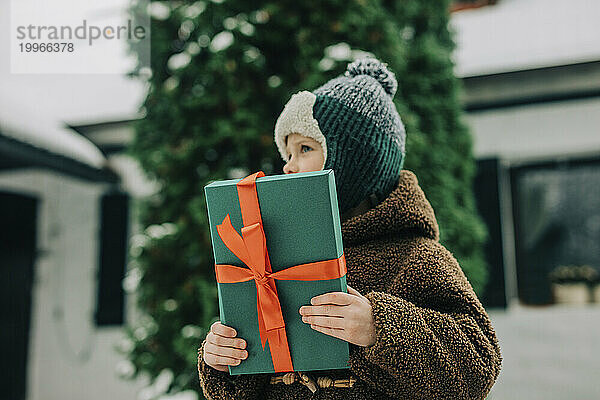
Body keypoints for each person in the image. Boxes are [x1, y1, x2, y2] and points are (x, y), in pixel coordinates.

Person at [197, 58, 502, 399]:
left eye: (306, 149)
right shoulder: (274, 256)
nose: (288, 165)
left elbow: (478, 366)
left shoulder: (417, 257)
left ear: (356, 160)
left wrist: (380, 328)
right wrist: (223, 362)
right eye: (288, 151)